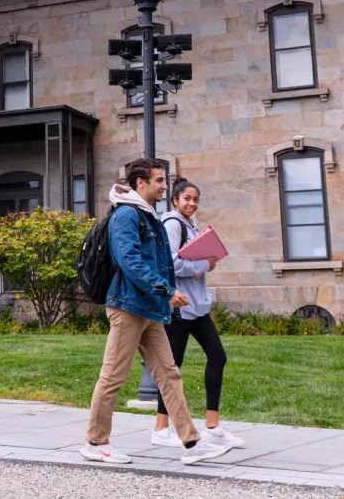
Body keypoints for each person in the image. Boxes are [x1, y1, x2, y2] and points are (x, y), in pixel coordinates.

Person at [80, 159, 232, 466]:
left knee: (169, 374)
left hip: (148, 307)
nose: (165, 186)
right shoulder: (126, 215)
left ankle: (192, 443)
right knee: (112, 376)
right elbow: (129, 261)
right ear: (141, 184)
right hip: (127, 306)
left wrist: (162, 295)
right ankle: (96, 442)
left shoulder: (149, 216)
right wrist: (165, 289)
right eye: (159, 181)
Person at [149, 179, 244, 448]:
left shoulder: (191, 226)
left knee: (218, 357)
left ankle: (212, 426)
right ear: (175, 200)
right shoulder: (172, 224)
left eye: (196, 199)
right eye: (187, 198)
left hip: (197, 307)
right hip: (178, 307)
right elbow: (170, 263)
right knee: (171, 368)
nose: (192, 203)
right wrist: (204, 264)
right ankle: (160, 429)